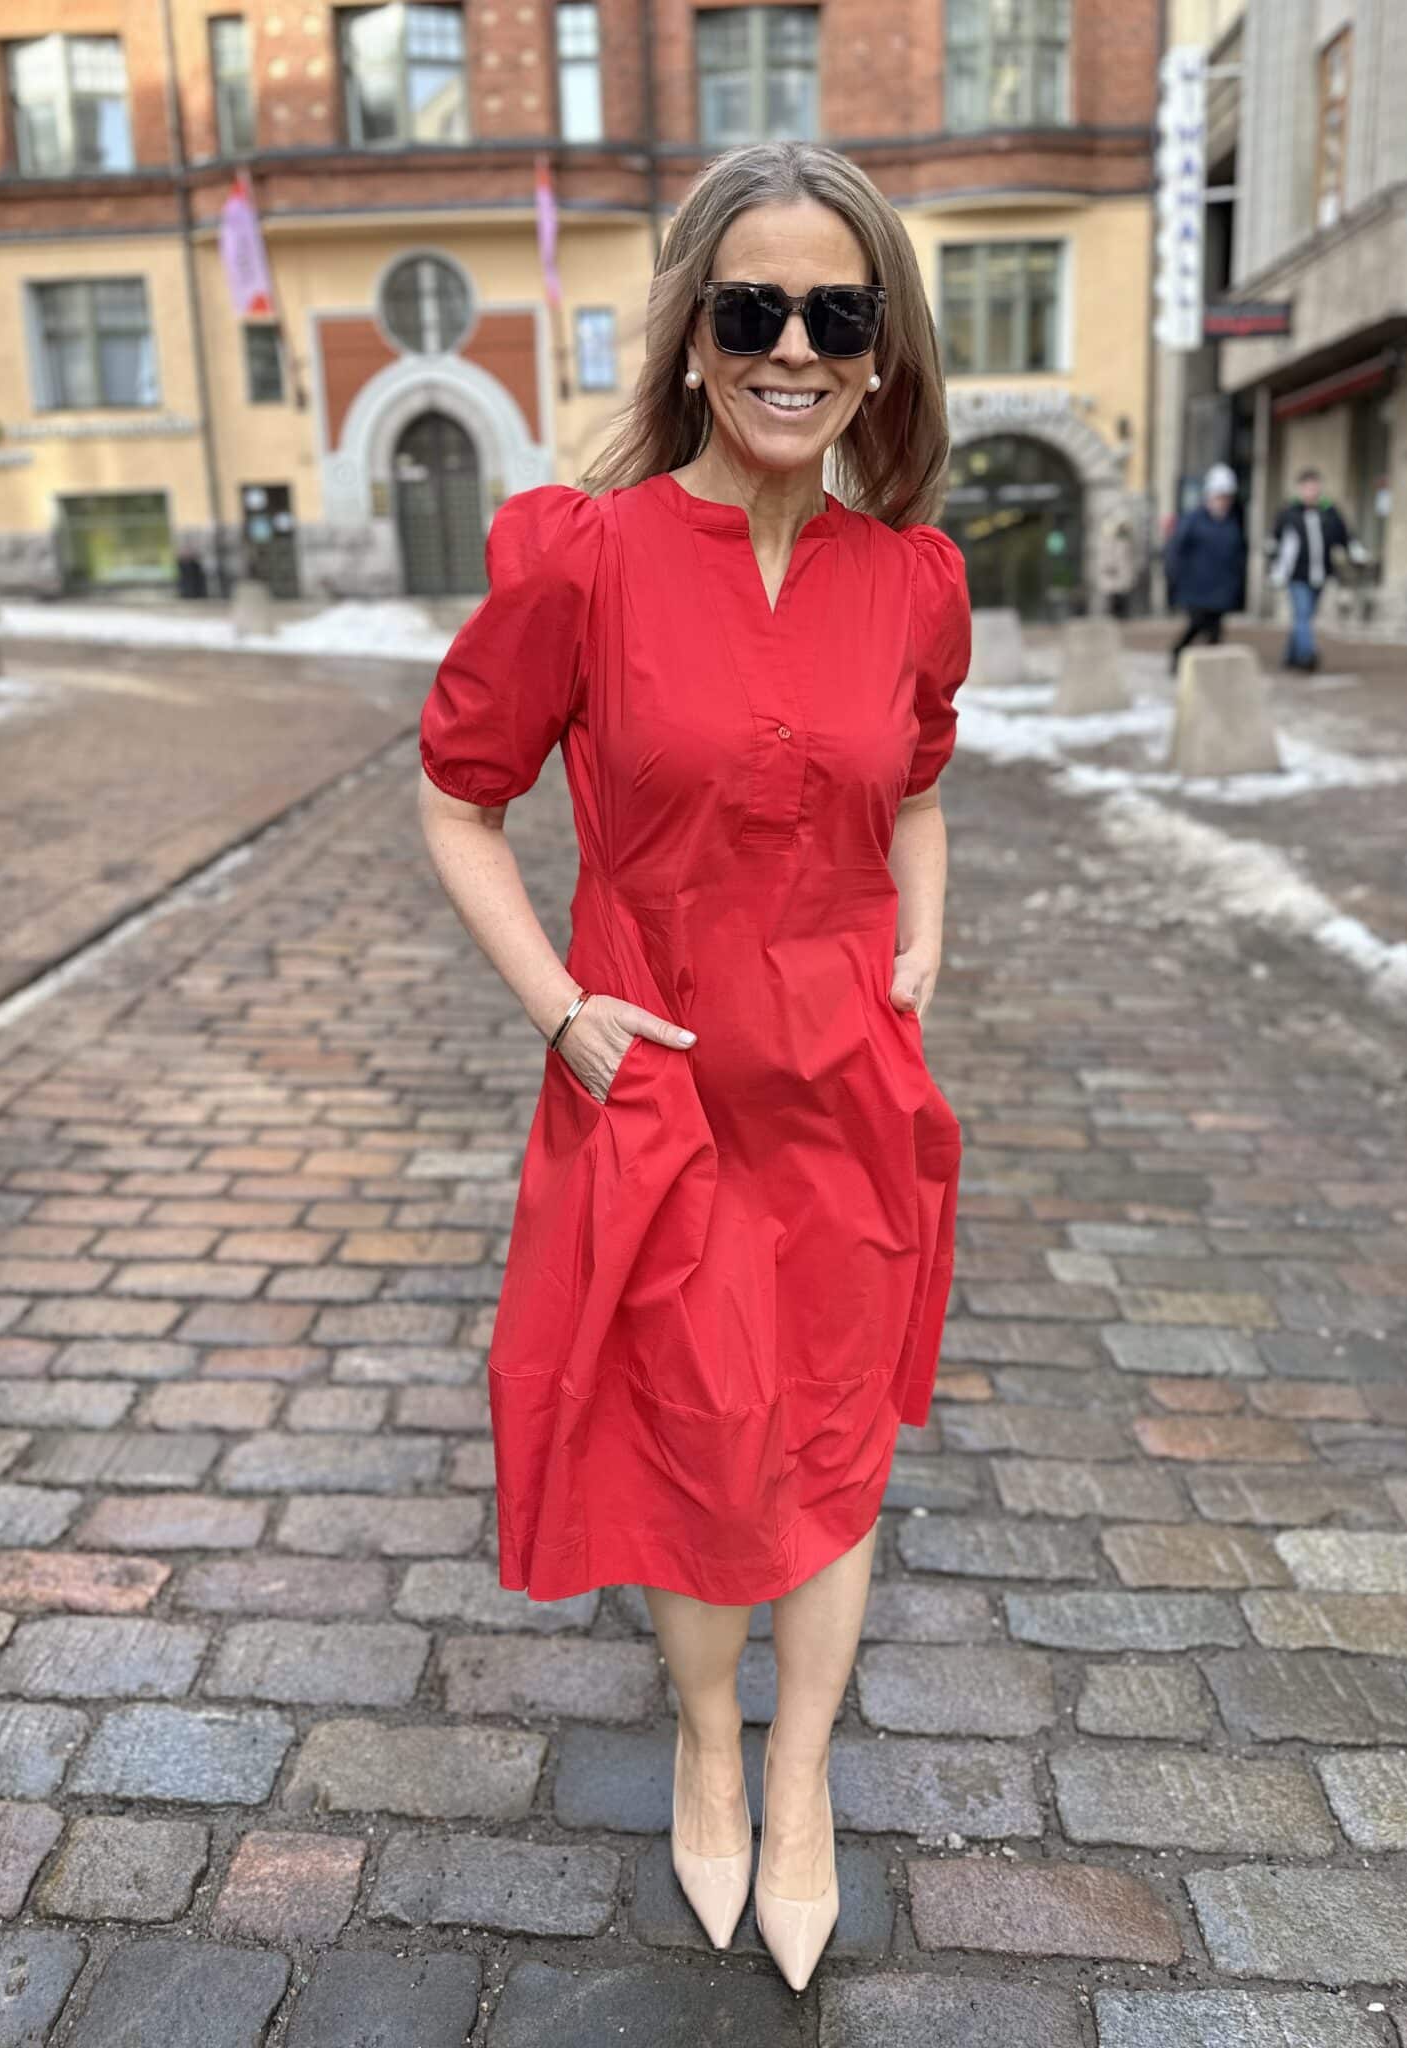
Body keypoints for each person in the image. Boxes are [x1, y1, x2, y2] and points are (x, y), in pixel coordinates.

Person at [416, 142, 969, 1993]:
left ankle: (796, 1773)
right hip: (656, 1076)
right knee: (700, 1427)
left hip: (846, 1087)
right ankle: (708, 1737)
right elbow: (458, 795)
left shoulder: (914, 581)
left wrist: (921, 939)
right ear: (692, 335)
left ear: (880, 352)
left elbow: (918, 780)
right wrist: (559, 1005)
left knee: (833, 1433)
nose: (793, 347)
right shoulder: (589, 561)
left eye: (836, 313)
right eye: (753, 309)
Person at [1269, 465, 1361, 672]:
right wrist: (1276, 569)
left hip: (1320, 574)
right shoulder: (1289, 513)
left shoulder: (1329, 512)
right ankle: (1307, 655)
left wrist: (1354, 551)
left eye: (1315, 487)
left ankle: (1290, 655)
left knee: (1304, 617)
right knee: (1302, 614)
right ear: (1300, 489)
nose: (1312, 491)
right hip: (1297, 574)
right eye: (1307, 487)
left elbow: (1343, 536)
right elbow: (1277, 542)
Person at [1163, 463, 1247, 673]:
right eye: (1219, 497)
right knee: (1198, 624)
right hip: (1195, 588)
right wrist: (1174, 581)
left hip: (1221, 588)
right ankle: (1179, 653)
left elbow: (1236, 555)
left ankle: (1212, 670)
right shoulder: (1193, 520)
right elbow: (1175, 552)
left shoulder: (1232, 523)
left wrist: (1236, 586)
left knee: (1215, 631)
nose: (1223, 502)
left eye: (1226, 497)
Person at [1096, 505, 1138, 619]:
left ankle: (1122, 613)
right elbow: (1106, 554)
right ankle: (1116, 612)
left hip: (1121, 572)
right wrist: (1109, 564)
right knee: (1115, 594)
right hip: (1114, 572)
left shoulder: (1126, 540)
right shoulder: (1109, 539)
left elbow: (1130, 555)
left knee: (1122, 594)